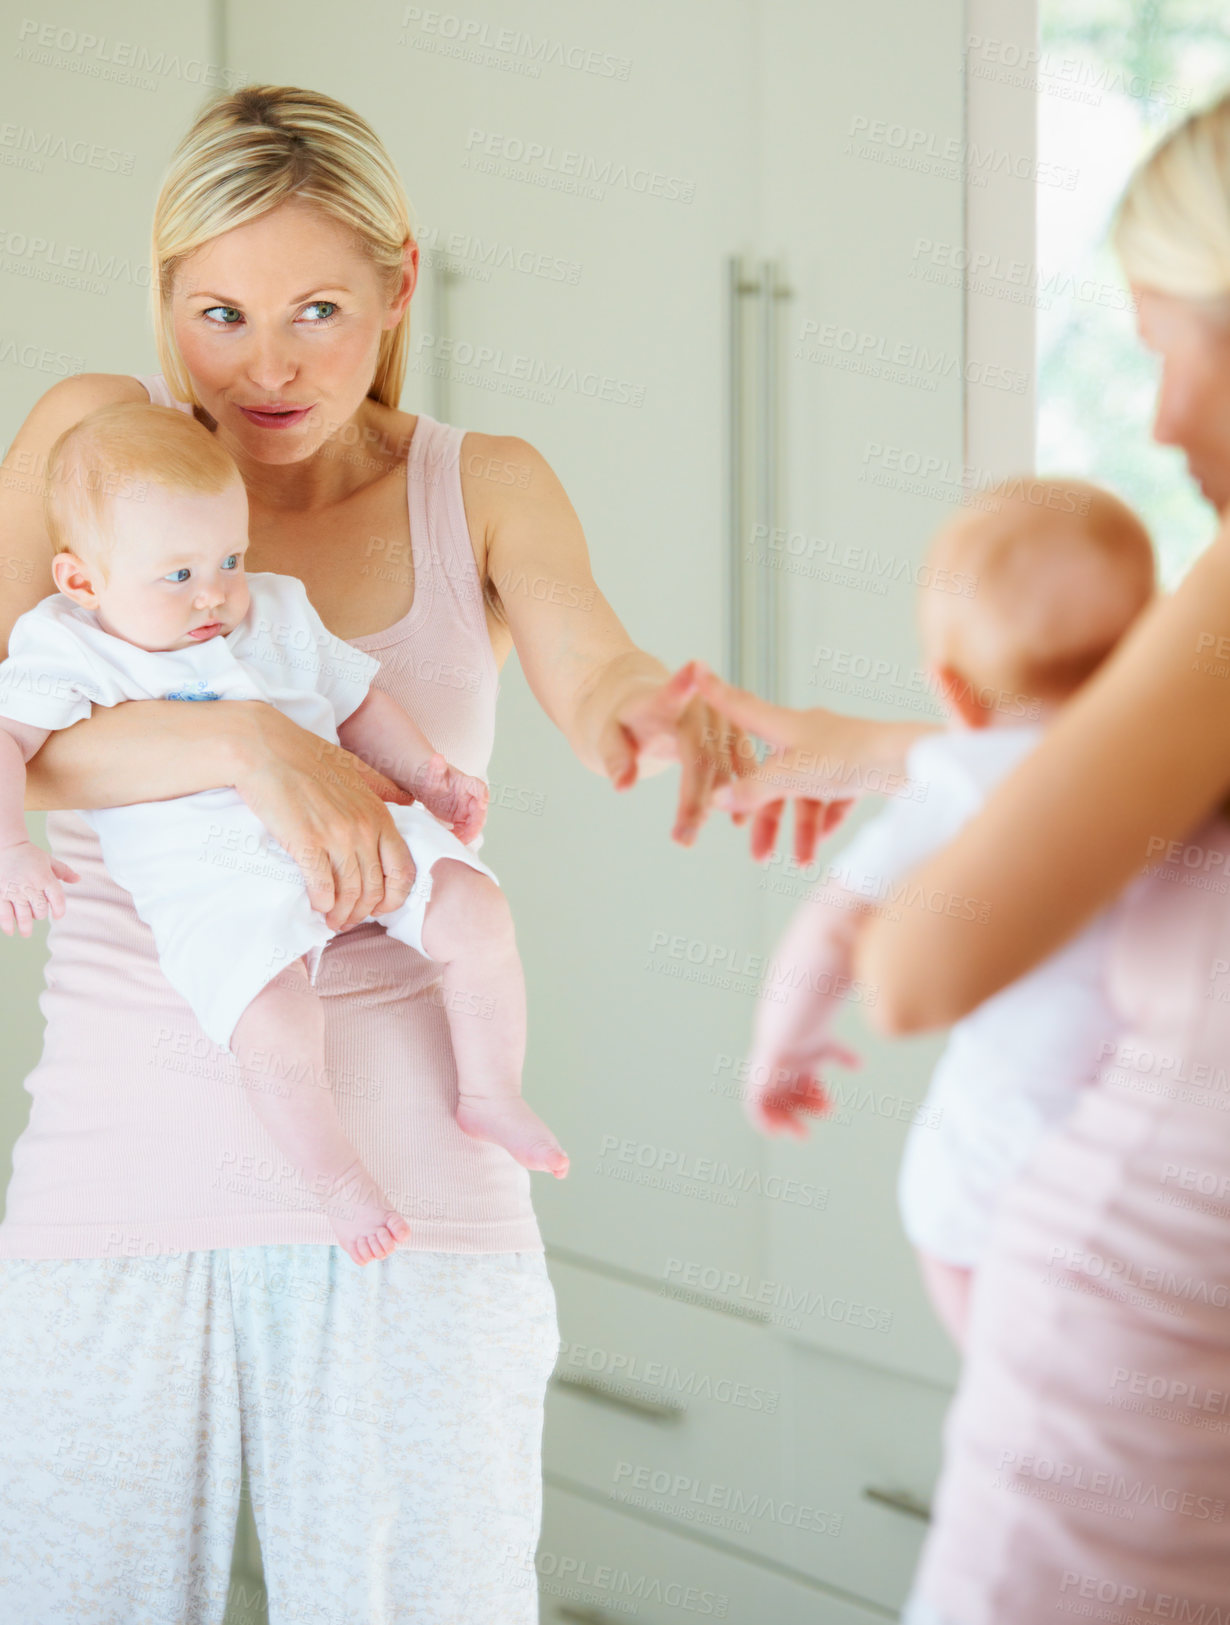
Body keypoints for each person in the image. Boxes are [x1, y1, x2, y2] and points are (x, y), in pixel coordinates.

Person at [0, 85, 771, 1623]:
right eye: (217, 311)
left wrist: (655, 715)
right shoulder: (87, 447)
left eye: (317, 311)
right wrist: (251, 745)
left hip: (419, 1198)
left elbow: (595, 670)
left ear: (398, 286)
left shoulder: (478, 485)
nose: (265, 365)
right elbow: (20, 733)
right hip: (118, 1174)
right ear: (161, 295)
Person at [696, 89, 1230, 1625]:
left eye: (1162, 345)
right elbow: (1147, 775)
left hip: (1116, 1382)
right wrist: (896, 754)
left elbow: (915, 970)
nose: (1156, 418)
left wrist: (914, 807)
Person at [0, 401, 570, 1269]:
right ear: (82, 581)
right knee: (272, 1023)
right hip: (215, 884)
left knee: (475, 909)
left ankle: (491, 1090)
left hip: (358, 825)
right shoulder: (67, 648)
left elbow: (358, 702)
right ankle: (338, 1179)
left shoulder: (271, 610)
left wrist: (428, 776)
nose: (215, 593)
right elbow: (9, 741)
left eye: (230, 558)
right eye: (178, 575)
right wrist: (11, 848)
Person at [735, 478, 1156, 1348]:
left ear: (955, 696)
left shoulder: (958, 781)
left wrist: (782, 1048)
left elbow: (832, 928)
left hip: (997, 1174)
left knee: (961, 1272)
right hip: (1148, 1176)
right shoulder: (1169, 776)